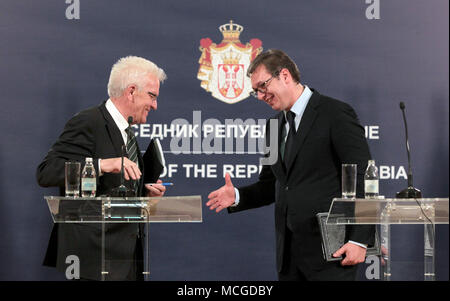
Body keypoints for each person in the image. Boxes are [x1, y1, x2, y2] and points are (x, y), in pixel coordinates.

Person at [207, 49, 375, 281]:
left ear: (284, 75)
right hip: (289, 258)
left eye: (263, 86)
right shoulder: (273, 127)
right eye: (255, 91)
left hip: (333, 253)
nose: (260, 96)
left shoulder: (334, 113)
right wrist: (236, 196)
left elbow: (364, 177)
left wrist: (359, 239)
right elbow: (272, 186)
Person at [36, 56, 167, 280]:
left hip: (127, 260)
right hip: (93, 260)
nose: (155, 105)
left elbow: (115, 190)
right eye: (152, 96)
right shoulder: (89, 122)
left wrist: (145, 194)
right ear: (131, 91)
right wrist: (102, 164)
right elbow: (47, 172)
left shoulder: (127, 132)